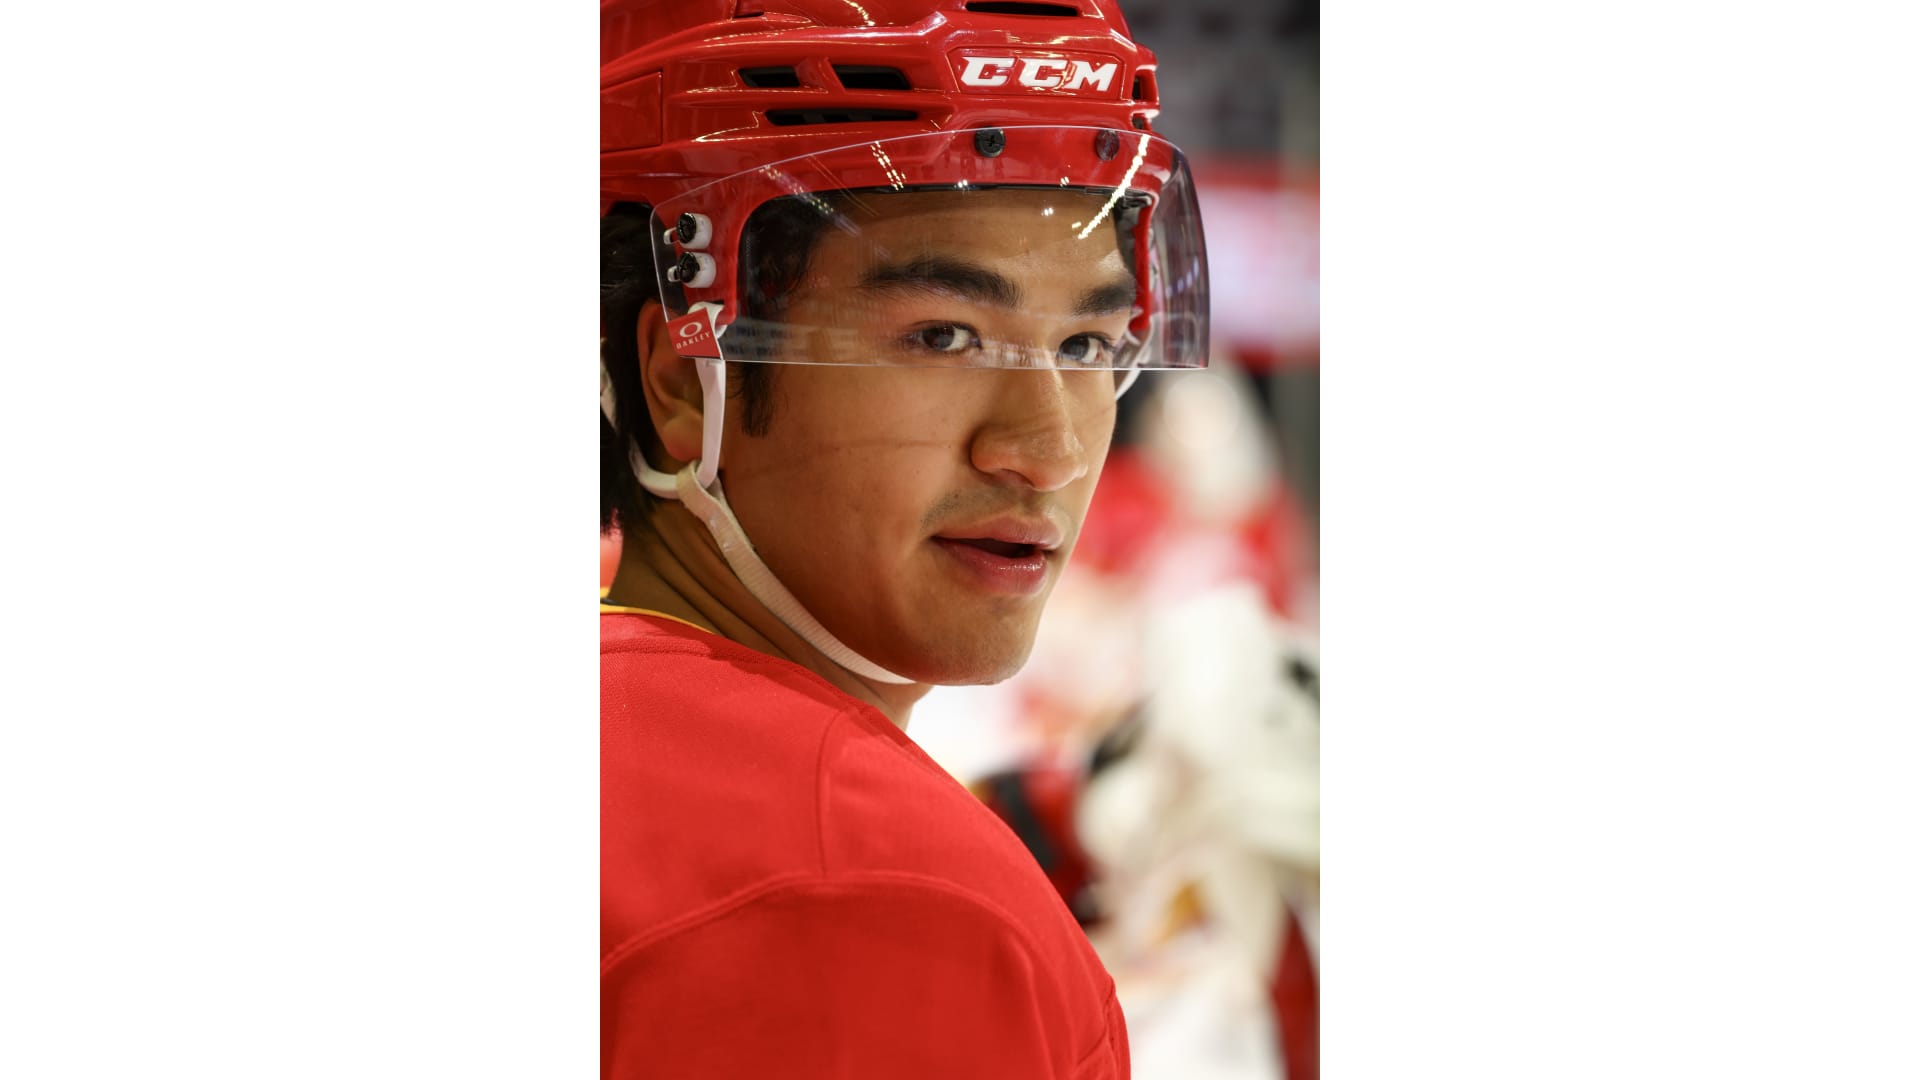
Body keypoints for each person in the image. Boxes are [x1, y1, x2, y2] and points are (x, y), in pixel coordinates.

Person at [599, 1, 1210, 1076]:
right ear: (683, 377)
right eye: (944, 335)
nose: (1049, 451)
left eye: (1087, 343)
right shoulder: (872, 889)